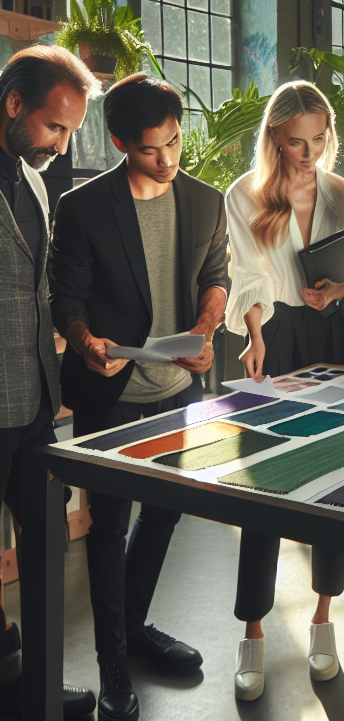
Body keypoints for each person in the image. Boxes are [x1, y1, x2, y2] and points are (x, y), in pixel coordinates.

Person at [49, 74, 229, 721]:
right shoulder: (83, 207)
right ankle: (113, 666)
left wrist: (206, 331)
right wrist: (82, 337)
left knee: (164, 514)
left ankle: (136, 629)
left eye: (176, 142)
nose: (169, 159)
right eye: (153, 150)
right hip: (111, 393)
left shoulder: (205, 201)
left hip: (178, 389)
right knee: (107, 528)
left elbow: (215, 276)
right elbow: (65, 297)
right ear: (123, 142)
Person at [225, 80, 344, 701]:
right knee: (266, 482)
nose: (308, 153)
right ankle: (252, 630)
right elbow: (247, 276)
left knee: (335, 482)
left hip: (335, 334)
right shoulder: (245, 194)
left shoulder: (342, 192)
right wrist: (255, 338)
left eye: (317, 140)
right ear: (274, 138)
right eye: (295, 142)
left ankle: (323, 620)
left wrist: (338, 292)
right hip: (274, 332)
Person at [0, 47, 99, 719]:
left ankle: (36, 692)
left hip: (33, 395)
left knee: (48, 538)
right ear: (14, 106)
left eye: (69, 133)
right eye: (55, 128)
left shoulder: (35, 181)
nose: (61, 148)